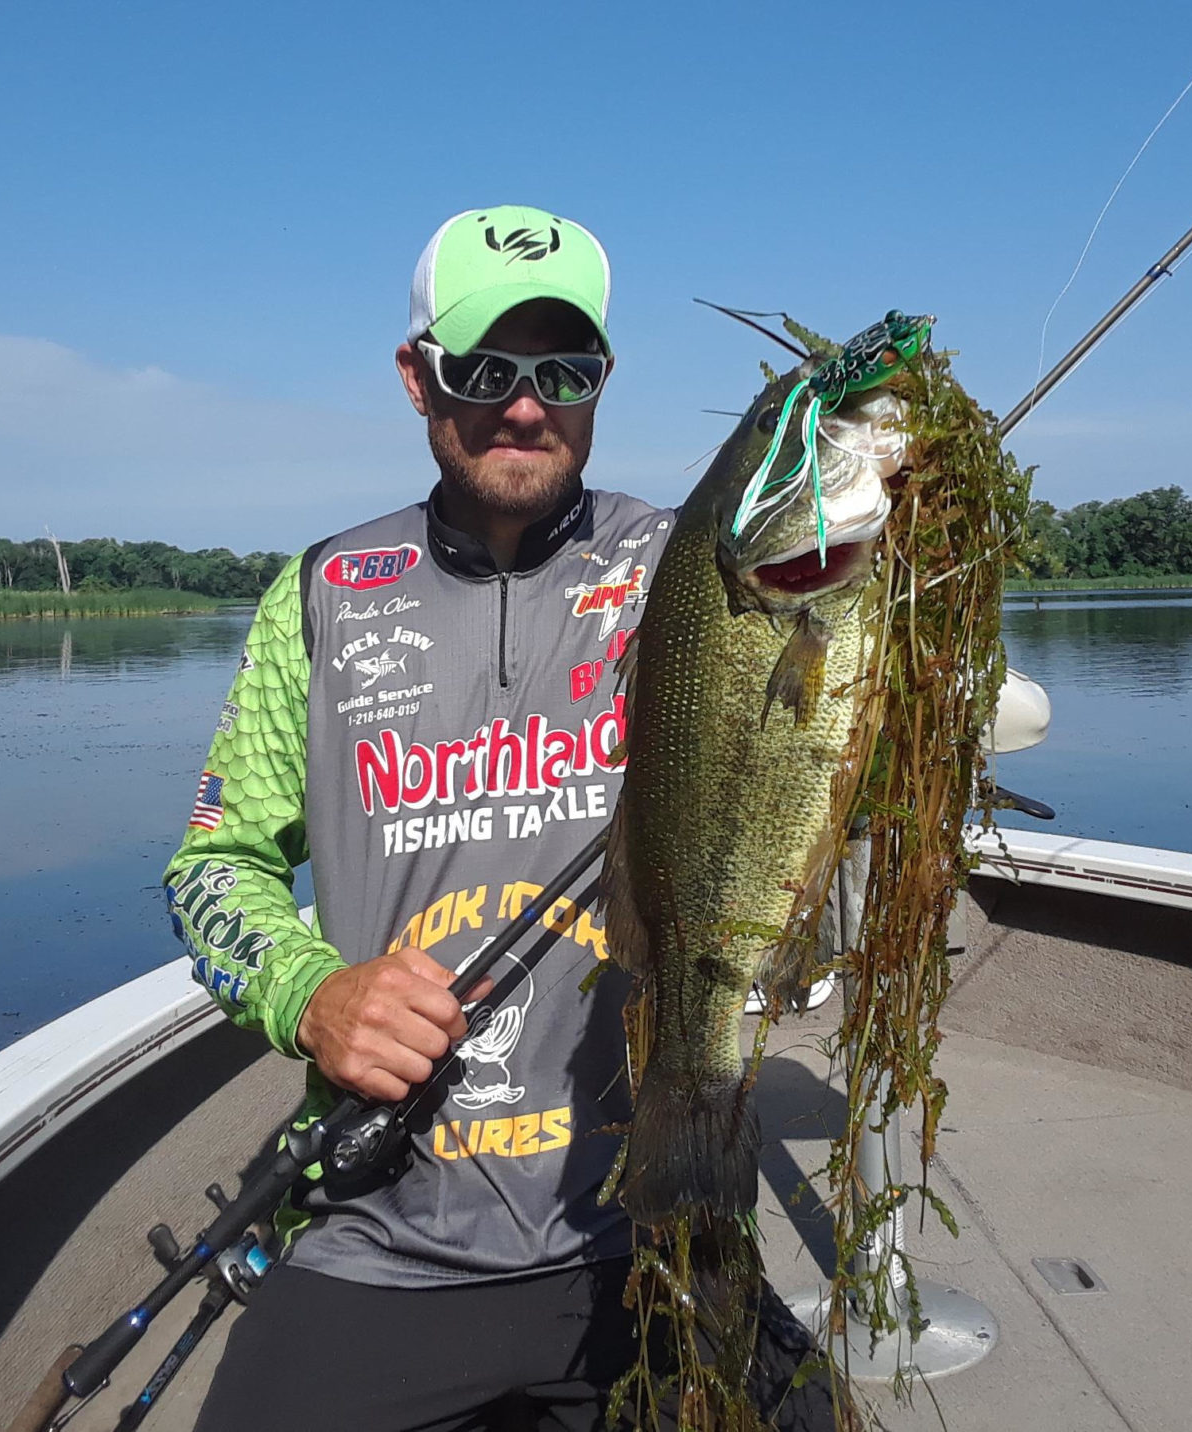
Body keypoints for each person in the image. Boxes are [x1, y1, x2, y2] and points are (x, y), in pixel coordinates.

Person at [163, 206, 836, 1430]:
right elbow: (211, 871)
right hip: (379, 1236)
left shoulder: (689, 566)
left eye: (562, 371)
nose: (525, 407)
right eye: (484, 370)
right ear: (418, 376)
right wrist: (311, 994)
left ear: (601, 384)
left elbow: (831, 587)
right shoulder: (318, 596)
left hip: (638, 1223)